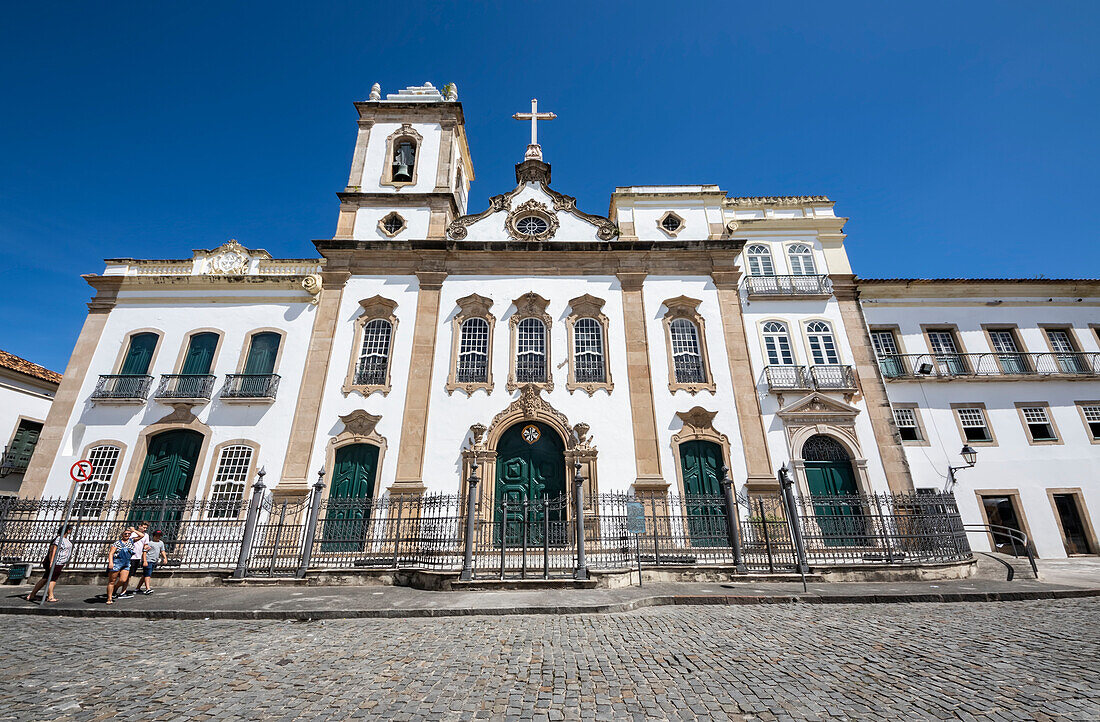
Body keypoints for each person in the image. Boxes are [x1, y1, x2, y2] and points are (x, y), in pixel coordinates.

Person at [24, 524, 74, 603]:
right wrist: (51, 562)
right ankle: (50, 596)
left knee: (45, 579)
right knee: (52, 579)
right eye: (70, 529)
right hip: (57, 562)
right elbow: (53, 551)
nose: (71, 531)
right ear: (67, 530)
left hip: (60, 562)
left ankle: (32, 595)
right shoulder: (58, 539)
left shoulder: (64, 539)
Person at [115, 520, 149, 599]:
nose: (145, 529)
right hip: (130, 557)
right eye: (143, 527)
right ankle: (118, 590)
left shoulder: (146, 535)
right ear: (139, 526)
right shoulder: (131, 534)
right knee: (125, 576)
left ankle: (122, 591)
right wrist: (133, 530)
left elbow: (145, 545)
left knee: (129, 576)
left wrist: (146, 549)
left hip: (137, 557)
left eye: (146, 528)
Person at [105, 529, 134, 605]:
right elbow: (111, 553)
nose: (127, 535)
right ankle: (109, 598)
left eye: (128, 534)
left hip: (126, 563)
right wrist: (111, 562)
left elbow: (142, 536)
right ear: (122, 534)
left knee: (123, 580)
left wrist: (133, 530)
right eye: (125, 533)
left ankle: (115, 588)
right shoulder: (117, 543)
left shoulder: (131, 542)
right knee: (112, 581)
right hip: (117, 562)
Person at [134, 529, 167, 594]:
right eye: (156, 535)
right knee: (148, 575)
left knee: (145, 575)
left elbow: (162, 551)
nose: (158, 537)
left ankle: (137, 588)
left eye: (159, 536)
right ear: (153, 536)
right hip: (148, 560)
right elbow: (144, 552)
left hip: (154, 560)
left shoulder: (161, 543)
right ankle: (148, 588)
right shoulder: (149, 543)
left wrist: (165, 558)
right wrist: (145, 561)